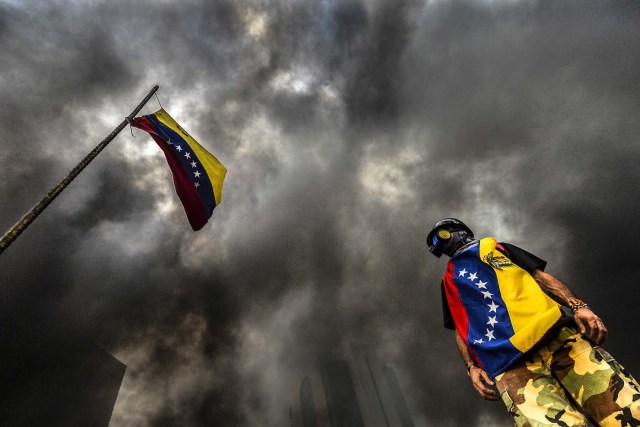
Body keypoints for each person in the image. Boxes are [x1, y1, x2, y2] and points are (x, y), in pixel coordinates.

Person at [427, 218, 640, 426]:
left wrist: (578, 305)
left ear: (460, 231)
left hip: (557, 338)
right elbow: (460, 328)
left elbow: (539, 277)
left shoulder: (498, 249)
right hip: (510, 368)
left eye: (442, 236)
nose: (442, 245)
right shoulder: (449, 282)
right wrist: (472, 367)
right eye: (436, 245)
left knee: (624, 408)